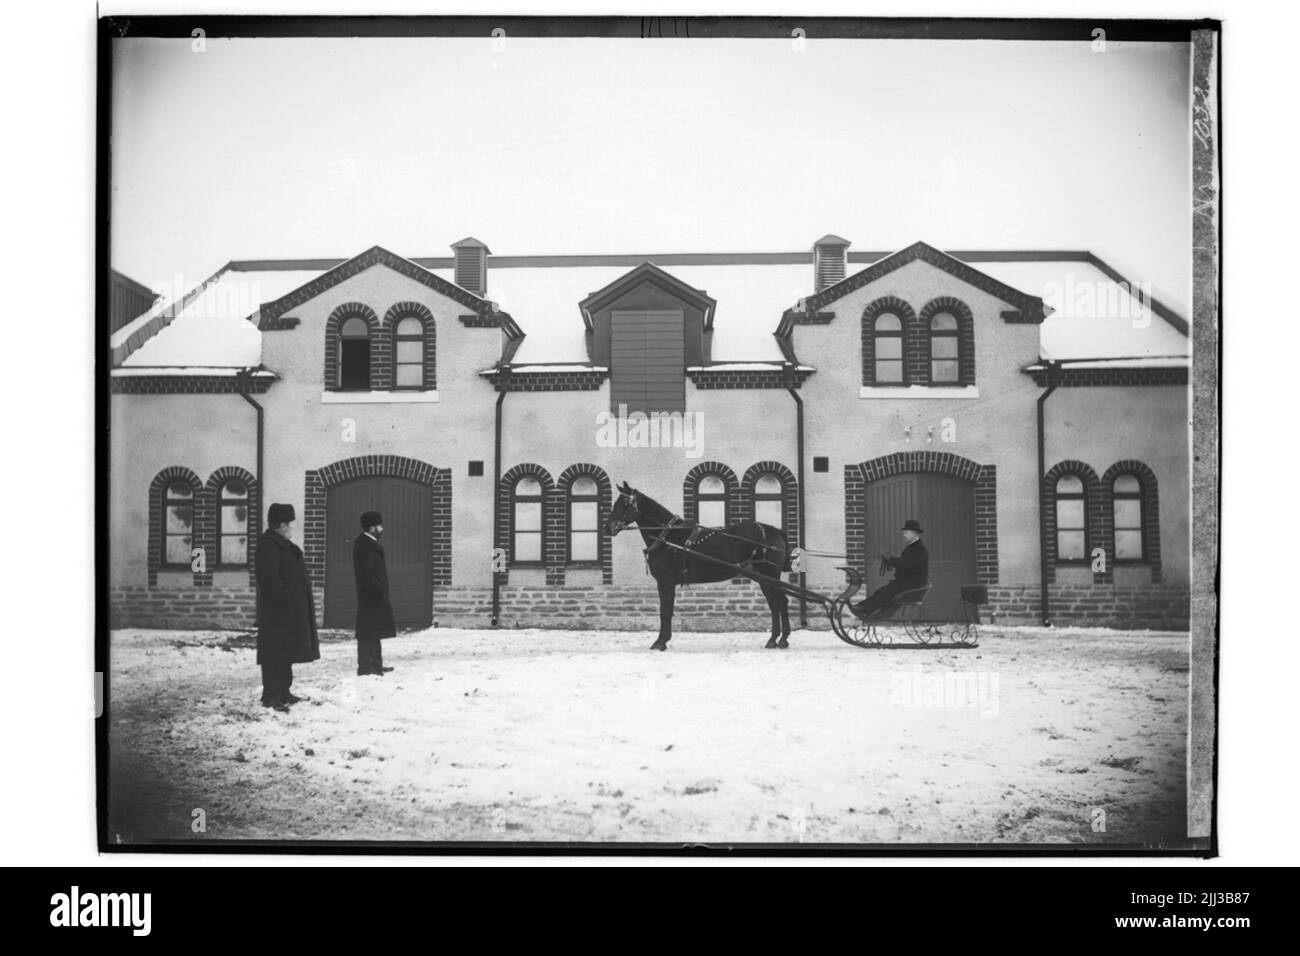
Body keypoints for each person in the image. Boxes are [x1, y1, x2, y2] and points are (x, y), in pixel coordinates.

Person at [255, 503, 320, 711]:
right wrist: (287, 599)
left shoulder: (283, 544)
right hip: (277, 611)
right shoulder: (268, 546)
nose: (292, 528)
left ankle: (284, 691)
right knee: (275, 653)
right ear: (282, 525)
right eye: (290, 524)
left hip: (287, 611)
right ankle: (271, 695)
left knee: (286, 651)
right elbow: (269, 578)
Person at [850, 519, 930, 619]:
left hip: (913, 585)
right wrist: (891, 561)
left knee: (887, 592)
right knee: (882, 591)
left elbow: (906, 564)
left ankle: (864, 609)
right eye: (903, 533)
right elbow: (906, 563)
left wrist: (891, 559)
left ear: (915, 533)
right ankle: (868, 611)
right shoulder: (912, 548)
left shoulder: (919, 550)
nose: (903, 535)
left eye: (906, 532)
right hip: (906, 583)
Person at [353, 510, 396, 676]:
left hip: (374, 596)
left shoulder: (369, 544)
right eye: (379, 526)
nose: (382, 529)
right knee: (367, 632)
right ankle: (366, 667)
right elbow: (367, 574)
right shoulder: (364, 546)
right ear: (372, 528)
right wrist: (379, 591)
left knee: (374, 630)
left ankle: (376, 665)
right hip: (370, 597)